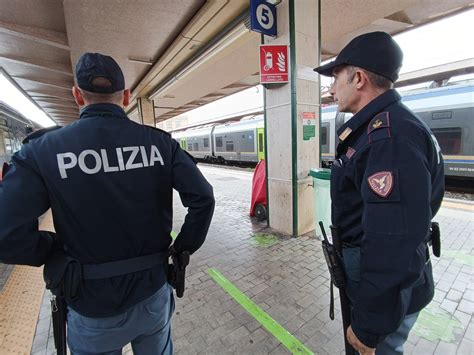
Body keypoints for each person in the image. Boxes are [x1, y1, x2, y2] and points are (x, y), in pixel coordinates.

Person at [0, 52, 215, 354]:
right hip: (152, 293)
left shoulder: (42, 151)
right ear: (126, 96)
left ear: (77, 95)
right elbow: (203, 199)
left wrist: (55, 249)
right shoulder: (159, 144)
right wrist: (181, 248)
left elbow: (5, 236)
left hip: (91, 306)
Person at [314, 32, 444, 355]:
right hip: (383, 289)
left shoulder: (388, 139)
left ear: (358, 79)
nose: (331, 89)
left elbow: (393, 242)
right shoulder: (385, 127)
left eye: (335, 79)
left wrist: (368, 326)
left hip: (385, 300)